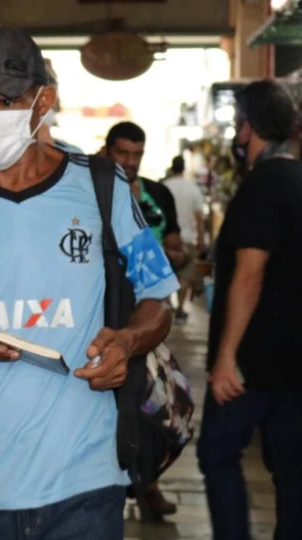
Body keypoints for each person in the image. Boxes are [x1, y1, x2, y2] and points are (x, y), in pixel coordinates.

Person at [0, 26, 177, 539]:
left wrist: (127, 342)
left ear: (43, 100)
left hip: (84, 482)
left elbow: (158, 297)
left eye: (2, 100)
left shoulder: (102, 187)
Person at [197, 79, 302, 540]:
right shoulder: (298, 180)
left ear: (246, 129)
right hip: (297, 359)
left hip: (254, 361)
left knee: (217, 452)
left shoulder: (261, 186)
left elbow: (249, 276)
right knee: (291, 466)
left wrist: (225, 358)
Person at [104, 121, 185, 519]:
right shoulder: (95, 193)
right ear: (107, 151)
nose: (130, 162)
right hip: (106, 315)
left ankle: (147, 482)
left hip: (148, 315)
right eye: (123, 154)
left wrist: (172, 256)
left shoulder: (160, 194)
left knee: (154, 405)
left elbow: (174, 241)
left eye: (136, 155)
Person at [162, 155, 206, 323]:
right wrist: (201, 240)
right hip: (186, 238)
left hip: (167, 239)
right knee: (185, 276)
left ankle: (166, 308)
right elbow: (199, 217)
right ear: (184, 168)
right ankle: (180, 308)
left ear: (172, 168)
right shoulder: (193, 189)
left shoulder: (164, 187)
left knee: (166, 274)